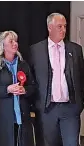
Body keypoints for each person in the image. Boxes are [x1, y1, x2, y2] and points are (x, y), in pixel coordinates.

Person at [29, 12, 84, 146]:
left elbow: (81, 77)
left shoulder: (76, 49)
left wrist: (79, 104)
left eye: (65, 26)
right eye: (59, 26)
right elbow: (31, 79)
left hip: (70, 108)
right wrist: (36, 105)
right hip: (48, 109)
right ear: (50, 27)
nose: (64, 30)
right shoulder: (36, 50)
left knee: (71, 143)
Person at [0, 30, 36, 146]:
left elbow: (33, 86)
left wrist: (25, 90)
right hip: (3, 118)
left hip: (22, 116)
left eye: (16, 41)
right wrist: (7, 90)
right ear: (2, 45)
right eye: (11, 41)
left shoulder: (23, 64)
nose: (15, 44)